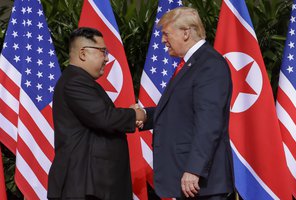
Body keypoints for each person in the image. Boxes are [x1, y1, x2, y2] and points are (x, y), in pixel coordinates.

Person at [138, 7, 234, 200]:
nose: (163, 40)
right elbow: (180, 110)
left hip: (202, 183)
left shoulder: (209, 64)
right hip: (189, 180)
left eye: (166, 34)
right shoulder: (191, 64)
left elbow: (209, 122)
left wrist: (194, 169)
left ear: (186, 32)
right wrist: (145, 116)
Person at [47, 27, 145, 200]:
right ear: (83, 53)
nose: (107, 58)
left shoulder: (80, 80)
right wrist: (135, 115)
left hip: (91, 185)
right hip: (84, 186)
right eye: (103, 51)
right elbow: (105, 118)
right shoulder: (75, 82)